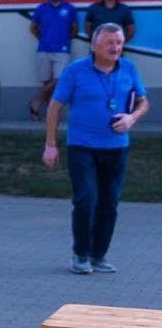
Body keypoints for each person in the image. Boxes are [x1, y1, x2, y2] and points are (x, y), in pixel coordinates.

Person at [42, 22, 149, 275]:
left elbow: (144, 102)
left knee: (109, 202)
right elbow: (55, 107)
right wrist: (50, 144)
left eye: (119, 42)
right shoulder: (76, 70)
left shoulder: (129, 68)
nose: (116, 47)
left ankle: (98, 255)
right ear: (94, 44)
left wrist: (132, 118)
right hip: (82, 146)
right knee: (86, 199)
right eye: (110, 42)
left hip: (116, 147)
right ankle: (80, 254)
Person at [28, 0, 75, 120]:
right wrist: (42, 39)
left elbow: (74, 29)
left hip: (62, 50)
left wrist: (64, 41)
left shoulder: (70, 8)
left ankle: (35, 102)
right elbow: (33, 27)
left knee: (60, 78)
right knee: (46, 81)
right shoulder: (41, 8)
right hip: (44, 49)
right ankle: (50, 113)